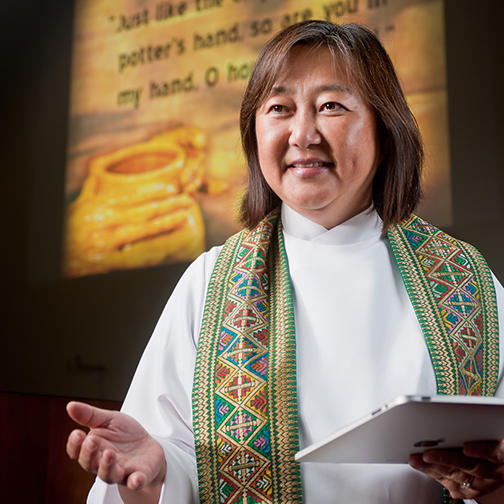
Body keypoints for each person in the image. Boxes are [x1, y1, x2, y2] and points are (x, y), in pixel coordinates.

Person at [66, 20, 504, 504]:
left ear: (385, 126)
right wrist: (154, 475)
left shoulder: (465, 282)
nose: (302, 134)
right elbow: (177, 463)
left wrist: (491, 485)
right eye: (279, 109)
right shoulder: (212, 284)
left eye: (331, 106)